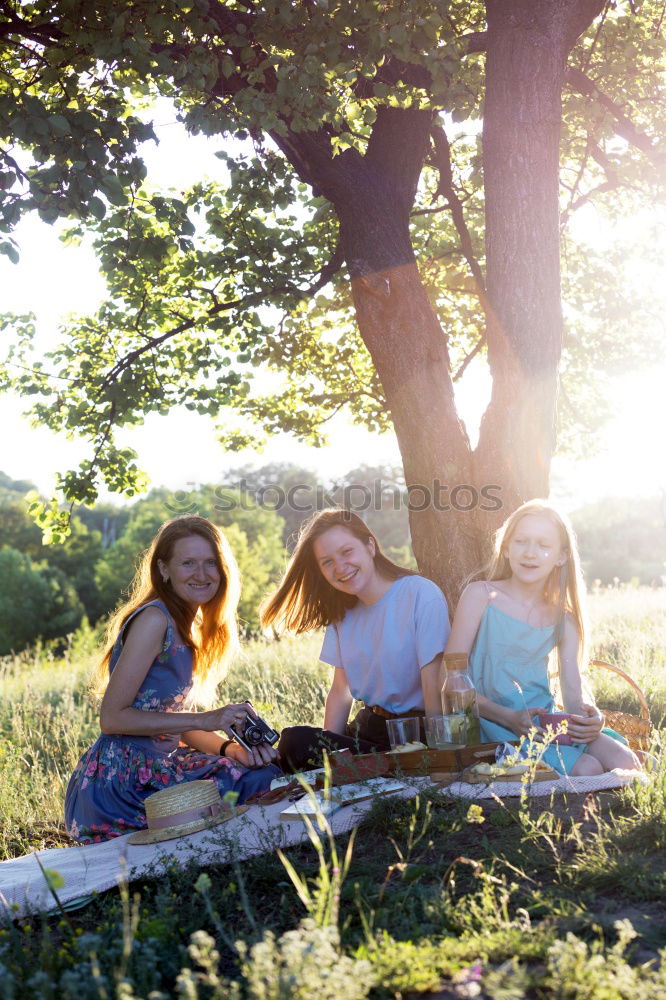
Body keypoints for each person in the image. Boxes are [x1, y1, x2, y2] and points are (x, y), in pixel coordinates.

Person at [65, 515, 281, 843]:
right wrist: (212, 717)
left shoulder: (190, 625)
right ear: (164, 569)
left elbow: (177, 725)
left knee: (262, 774)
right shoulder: (155, 619)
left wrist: (231, 750)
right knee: (254, 786)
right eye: (188, 563)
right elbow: (111, 718)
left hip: (161, 764)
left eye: (211, 563)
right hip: (122, 780)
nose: (202, 574)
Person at [445, 500, 639, 775]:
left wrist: (592, 717)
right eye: (521, 541)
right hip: (493, 722)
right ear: (506, 547)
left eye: (543, 545)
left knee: (628, 761)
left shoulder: (565, 617)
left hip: (544, 724)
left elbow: (573, 694)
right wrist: (509, 718)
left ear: (560, 557)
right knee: (588, 769)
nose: (530, 553)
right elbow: (452, 683)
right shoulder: (480, 595)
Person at [261, 508, 450, 769]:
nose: (340, 567)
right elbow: (340, 691)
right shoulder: (342, 613)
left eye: (347, 552)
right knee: (295, 741)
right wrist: (327, 750)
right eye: (327, 562)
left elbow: (434, 682)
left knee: (301, 745)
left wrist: (439, 754)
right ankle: (354, 774)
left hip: (413, 733)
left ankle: (388, 771)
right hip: (368, 731)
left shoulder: (419, 594)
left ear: (370, 546)